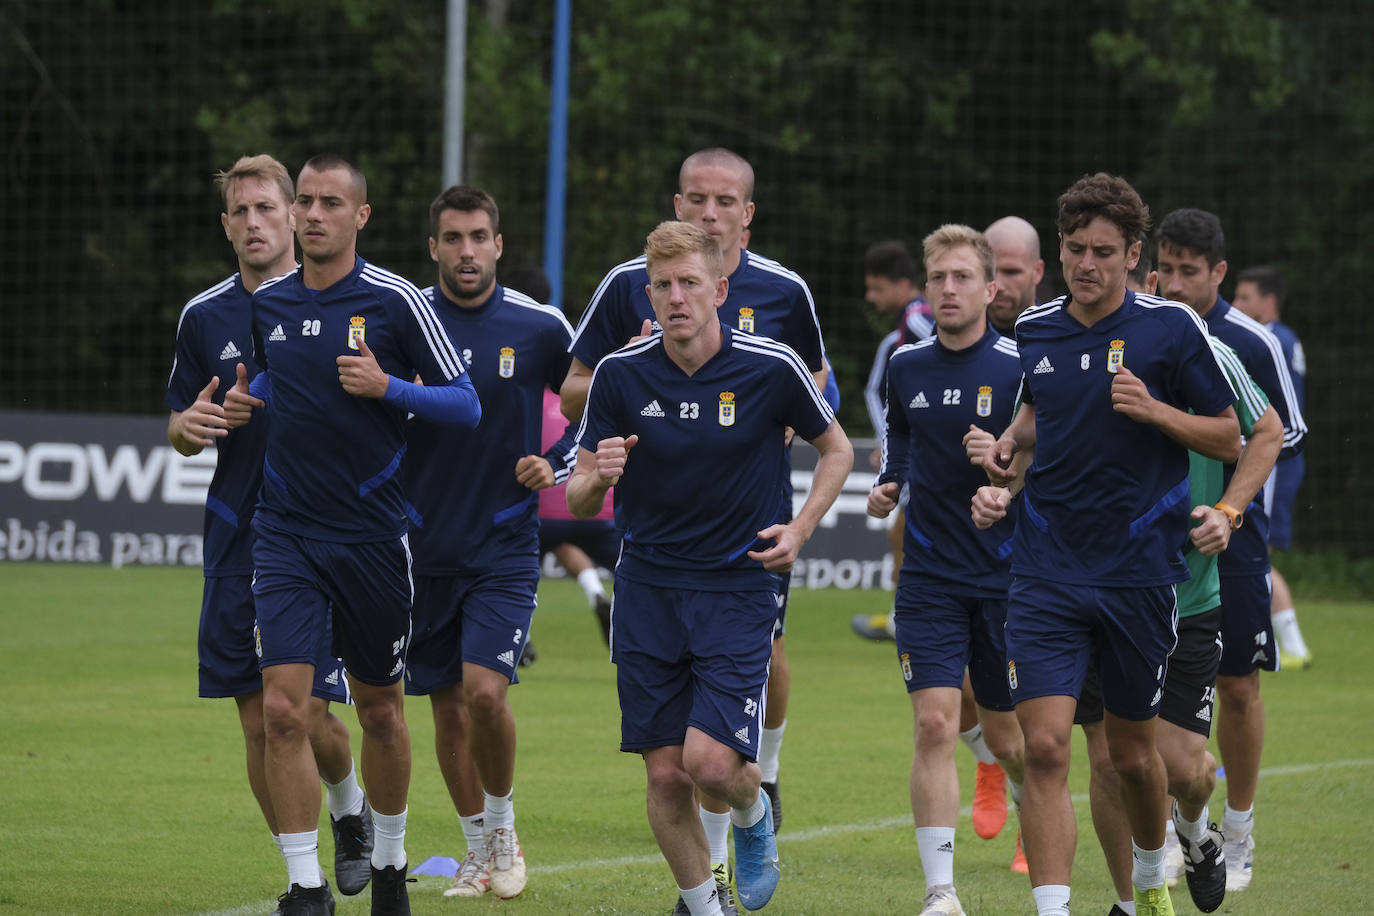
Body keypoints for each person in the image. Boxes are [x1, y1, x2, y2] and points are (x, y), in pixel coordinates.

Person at [561, 149, 829, 896]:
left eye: (690, 285)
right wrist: (597, 474)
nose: (676, 297)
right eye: (664, 287)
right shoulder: (621, 364)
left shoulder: (773, 342)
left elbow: (829, 423)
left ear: (721, 286)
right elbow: (580, 493)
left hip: (739, 575)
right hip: (647, 581)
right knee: (665, 770)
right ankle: (702, 904)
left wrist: (801, 526)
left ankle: (753, 809)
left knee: (712, 764)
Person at [223, 154, 481, 916]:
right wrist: (248, 399)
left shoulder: (398, 301)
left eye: (329, 202)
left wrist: (387, 388)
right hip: (286, 533)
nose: (310, 214)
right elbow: (278, 376)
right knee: (282, 708)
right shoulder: (269, 302)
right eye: (303, 200)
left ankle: (393, 863)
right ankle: (306, 887)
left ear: (360, 216)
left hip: (372, 538)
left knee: (380, 711)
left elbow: (464, 404)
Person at [979, 173, 1241, 916]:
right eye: (1072, 249)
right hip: (1045, 569)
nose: (1085, 264)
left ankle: (1160, 870)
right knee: (1049, 749)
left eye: (1102, 251)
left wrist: (1156, 411)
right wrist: (1006, 453)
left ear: (1133, 257)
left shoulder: (1170, 329)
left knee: (1133, 755)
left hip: (1139, 573)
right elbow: (1034, 415)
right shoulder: (1034, 330)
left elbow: (1228, 434)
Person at [165, 153, 374, 908]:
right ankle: (303, 880)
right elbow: (182, 425)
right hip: (236, 533)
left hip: (320, 535)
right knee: (260, 721)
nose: (254, 223)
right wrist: (187, 428)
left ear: (294, 215)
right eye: (240, 213)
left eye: (266, 209)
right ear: (226, 226)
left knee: (309, 713)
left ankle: (349, 809)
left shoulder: (347, 303)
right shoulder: (204, 317)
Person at [401, 185, 575, 900]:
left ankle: (502, 827)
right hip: (417, 545)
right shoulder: (401, 316)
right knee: (444, 706)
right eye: (453, 238)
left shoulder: (538, 327)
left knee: (483, 695)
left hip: (503, 543)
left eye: (479, 237)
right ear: (434, 246)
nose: (466, 251)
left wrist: (557, 464)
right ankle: (476, 848)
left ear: (498, 245)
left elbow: (595, 404)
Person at [867, 224, 1026, 916]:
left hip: (1010, 579)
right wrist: (889, 483)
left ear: (991, 288)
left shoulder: (1023, 367)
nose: (950, 289)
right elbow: (901, 434)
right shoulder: (907, 366)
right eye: (939, 278)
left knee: (1016, 740)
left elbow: (1055, 462)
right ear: (925, 289)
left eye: (964, 277)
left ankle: (1020, 794)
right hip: (929, 577)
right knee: (934, 723)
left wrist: (1007, 463)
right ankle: (941, 892)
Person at [1155, 209, 1307, 894]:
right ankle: (1172, 831)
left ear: (1219, 273)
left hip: (1234, 536)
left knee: (1239, 686)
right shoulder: (1143, 332)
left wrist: (1229, 504)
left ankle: (1238, 831)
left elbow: (1284, 432)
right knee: (1144, 694)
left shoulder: (1248, 341)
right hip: (1154, 543)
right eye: (1171, 268)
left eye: (1195, 271)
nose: (1180, 283)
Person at [852, 239, 932, 641]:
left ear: (903, 284)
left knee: (904, 532)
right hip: (916, 451)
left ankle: (911, 619)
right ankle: (905, 616)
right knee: (901, 531)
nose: (870, 297)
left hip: (933, 455)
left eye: (877, 287)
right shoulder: (905, 327)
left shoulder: (920, 322)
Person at [1233, 265, 1312, 668]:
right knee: (1261, 553)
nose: (1236, 305)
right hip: (1278, 458)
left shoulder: (1268, 341)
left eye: (1245, 298)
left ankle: (1291, 648)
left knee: (1258, 553)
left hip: (1271, 459)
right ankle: (1291, 646)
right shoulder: (1287, 339)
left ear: (1270, 302)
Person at [538, 387, 618, 643]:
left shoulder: (531, 401)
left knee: (509, 567)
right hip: (601, 514)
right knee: (636, 567)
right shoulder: (601, 400)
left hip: (545, 517)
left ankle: (521, 634)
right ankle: (600, 595)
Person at [984, 216, 1045, 336]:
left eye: (1011, 272)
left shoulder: (1057, 339)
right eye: (989, 272)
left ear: (1038, 272)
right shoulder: (952, 338)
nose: (998, 286)